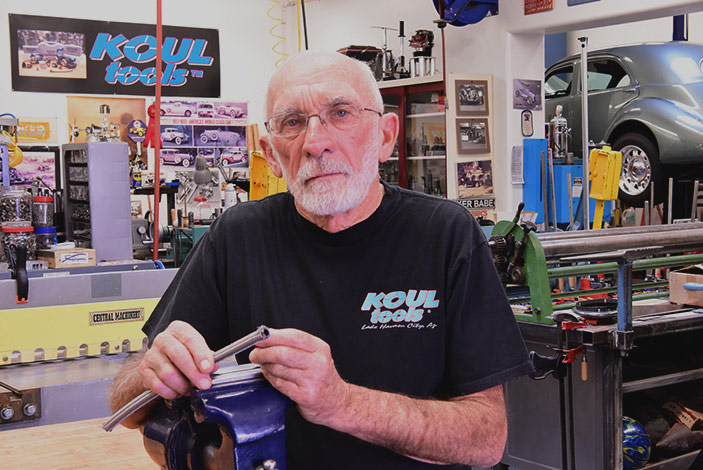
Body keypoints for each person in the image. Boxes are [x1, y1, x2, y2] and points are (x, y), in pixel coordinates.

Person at [109, 51, 533, 469]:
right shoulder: (236, 237)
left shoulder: (444, 234)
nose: (315, 142)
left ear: (385, 136)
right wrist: (151, 375)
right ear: (271, 153)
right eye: (292, 123)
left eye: (342, 113)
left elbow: (486, 438)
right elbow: (126, 409)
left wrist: (342, 403)